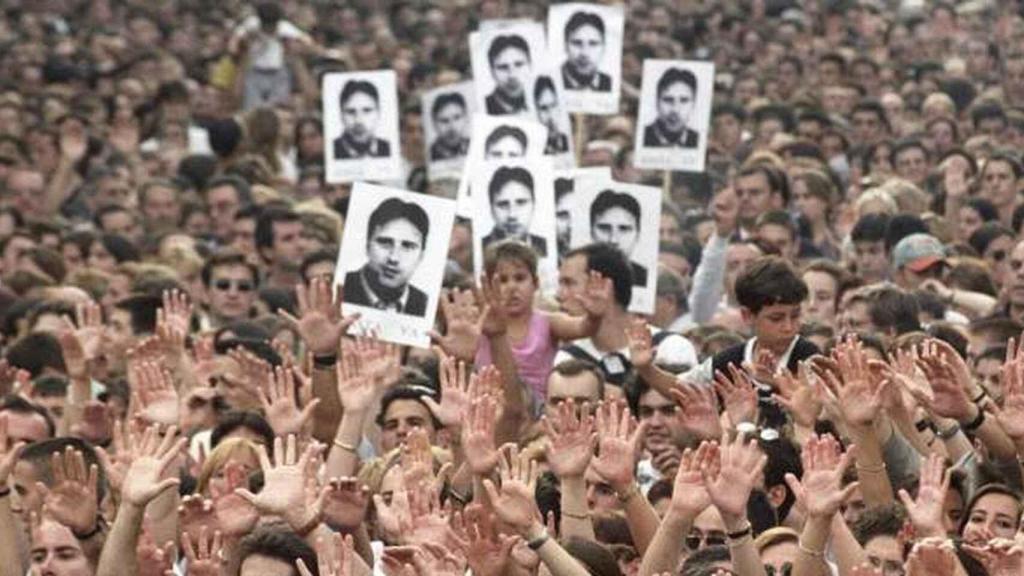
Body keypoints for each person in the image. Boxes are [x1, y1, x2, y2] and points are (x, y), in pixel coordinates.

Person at [342, 197, 429, 317]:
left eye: (408, 246)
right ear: (367, 245)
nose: (393, 258)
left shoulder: (426, 305)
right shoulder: (340, 288)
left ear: (421, 256)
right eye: (385, 243)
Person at [481, 165, 548, 257]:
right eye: (503, 204)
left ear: (534, 205)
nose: (512, 215)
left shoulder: (546, 247)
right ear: (491, 209)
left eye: (521, 202)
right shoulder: (478, 250)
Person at [590, 189, 647, 287]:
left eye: (624, 229)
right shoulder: (576, 273)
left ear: (638, 234)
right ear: (591, 231)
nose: (613, 240)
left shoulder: (646, 278)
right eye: (604, 228)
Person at [333, 80, 391, 159]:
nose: (358, 121)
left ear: (378, 113)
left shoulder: (389, 149)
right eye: (350, 112)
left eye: (367, 110)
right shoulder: (330, 150)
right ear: (341, 115)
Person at [644, 67, 700, 148]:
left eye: (684, 100)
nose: (675, 110)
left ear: (693, 104)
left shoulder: (698, 141)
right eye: (668, 100)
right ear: (656, 102)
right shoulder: (642, 137)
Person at [561, 11, 612, 92]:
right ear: (565, 46)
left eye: (593, 44)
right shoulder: (550, 82)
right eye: (577, 43)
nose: (584, 53)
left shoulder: (610, 83)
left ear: (604, 47)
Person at [485, 34, 532, 115]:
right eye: (503, 67)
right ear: (492, 71)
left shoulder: (542, 103)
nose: (512, 75)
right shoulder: (483, 109)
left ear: (530, 65)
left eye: (519, 64)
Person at [428, 91, 470, 161]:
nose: (452, 127)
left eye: (457, 118)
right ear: (434, 124)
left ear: (466, 118)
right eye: (444, 121)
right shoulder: (429, 155)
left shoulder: (475, 146)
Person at [535, 76, 569, 154]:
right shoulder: (535, 149)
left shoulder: (569, 142)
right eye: (544, 108)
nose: (550, 116)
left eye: (553, 106)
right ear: (537, 112)